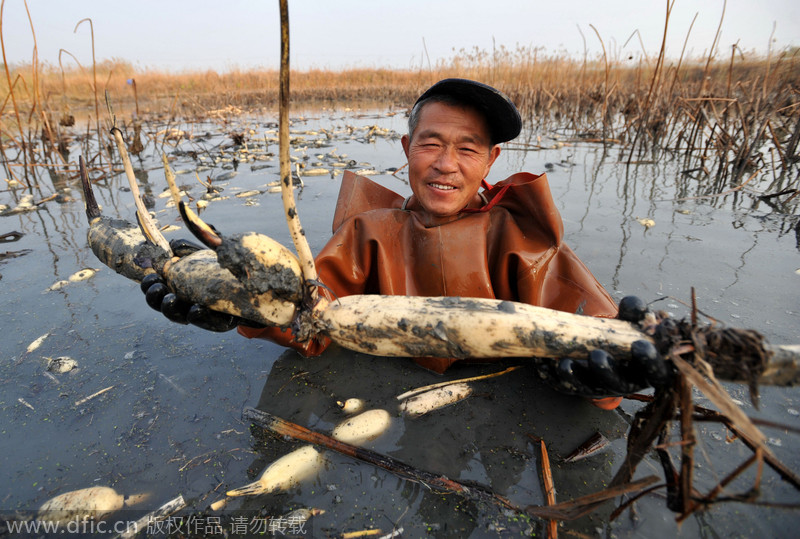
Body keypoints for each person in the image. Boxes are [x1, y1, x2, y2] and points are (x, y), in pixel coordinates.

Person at [142, 79, 668, 409]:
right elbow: (307, 317)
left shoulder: (524, 241)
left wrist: (604, 378)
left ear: (491, 161)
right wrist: (238, 309)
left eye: (468, 148)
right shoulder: (368, 232)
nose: (446, 164)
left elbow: (594, 333)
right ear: (407, 149)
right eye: (431, 143)